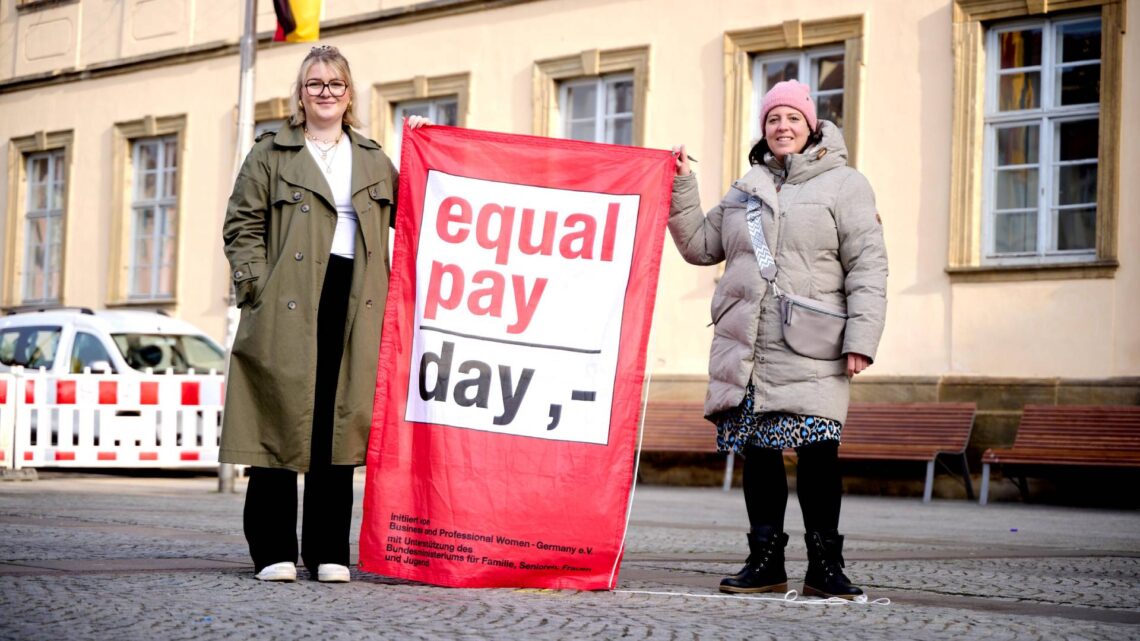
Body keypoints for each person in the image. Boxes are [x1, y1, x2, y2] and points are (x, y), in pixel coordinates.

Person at [669, 80, 887, 599]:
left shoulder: (845, 184)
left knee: (818, 451)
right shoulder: (747, 189)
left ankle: (825, 567)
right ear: (763, 129)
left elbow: (868, 265)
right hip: (749, 345)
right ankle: (765, 562)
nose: (782, 127)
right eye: (773, 119)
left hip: (813, 344)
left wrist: (862, 336)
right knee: (760, 453)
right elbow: (701, 246)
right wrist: (682, 185)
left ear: (811, 125)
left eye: (792, 118)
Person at [221, 45, 428, 583]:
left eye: (335, 84)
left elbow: (421, 210)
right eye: (315, 84)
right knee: (279, 417)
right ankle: (272, 550)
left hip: (354, 298)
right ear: (301, 92)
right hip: (285, 299)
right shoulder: (271, 153)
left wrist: (427, 144)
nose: (325, 93)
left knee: (337, 424)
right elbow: (242, 225)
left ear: (349, 93)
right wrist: (254, 288)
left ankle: (329, 549)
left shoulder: (374, 158)